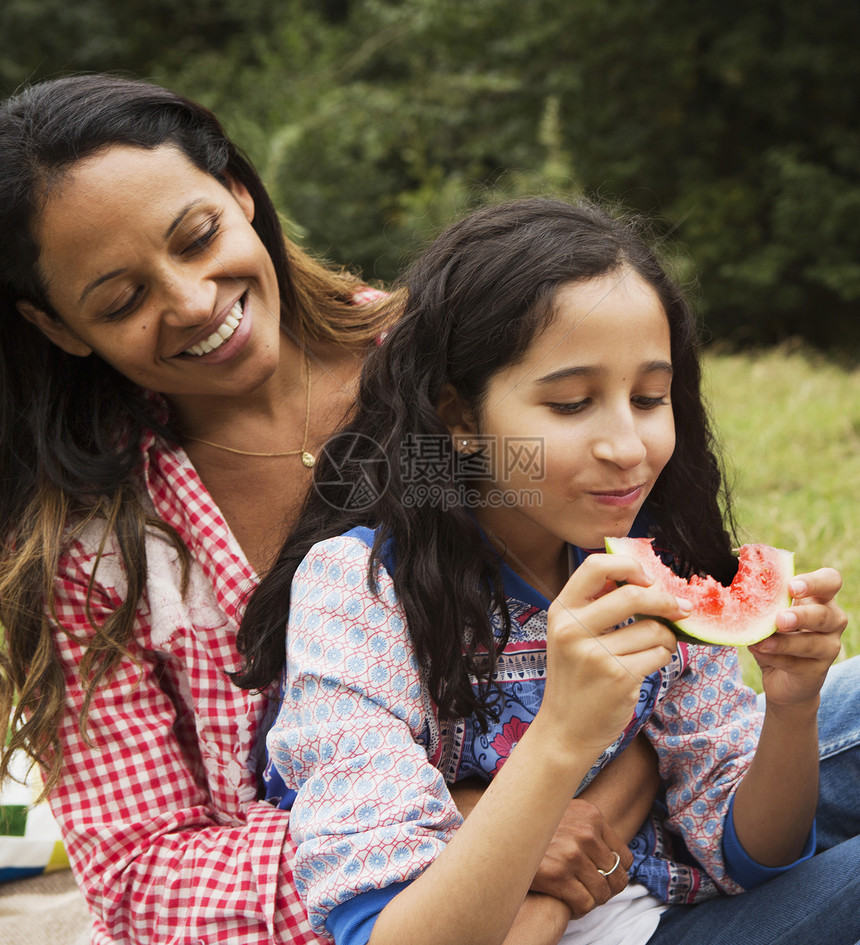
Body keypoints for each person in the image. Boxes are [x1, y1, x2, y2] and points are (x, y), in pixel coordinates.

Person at [0, 77, 663, 945]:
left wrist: (574, 813)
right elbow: (140, 873)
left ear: (241, 194)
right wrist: (457, 828)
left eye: (198, 237)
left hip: (614, 846)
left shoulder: (427, 381)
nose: (194, 300)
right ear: (59, 327)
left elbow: (609, 548)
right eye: (122, 300)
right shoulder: (102, 542)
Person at [240, 197, 859, 945]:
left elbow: (748, 854)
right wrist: (564, 734)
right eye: (572, 404)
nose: (627, 446)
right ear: (460, 419)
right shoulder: (356, 593)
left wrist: (791, 710)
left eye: (650, 398)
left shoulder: (655, 556)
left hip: (665, 908)